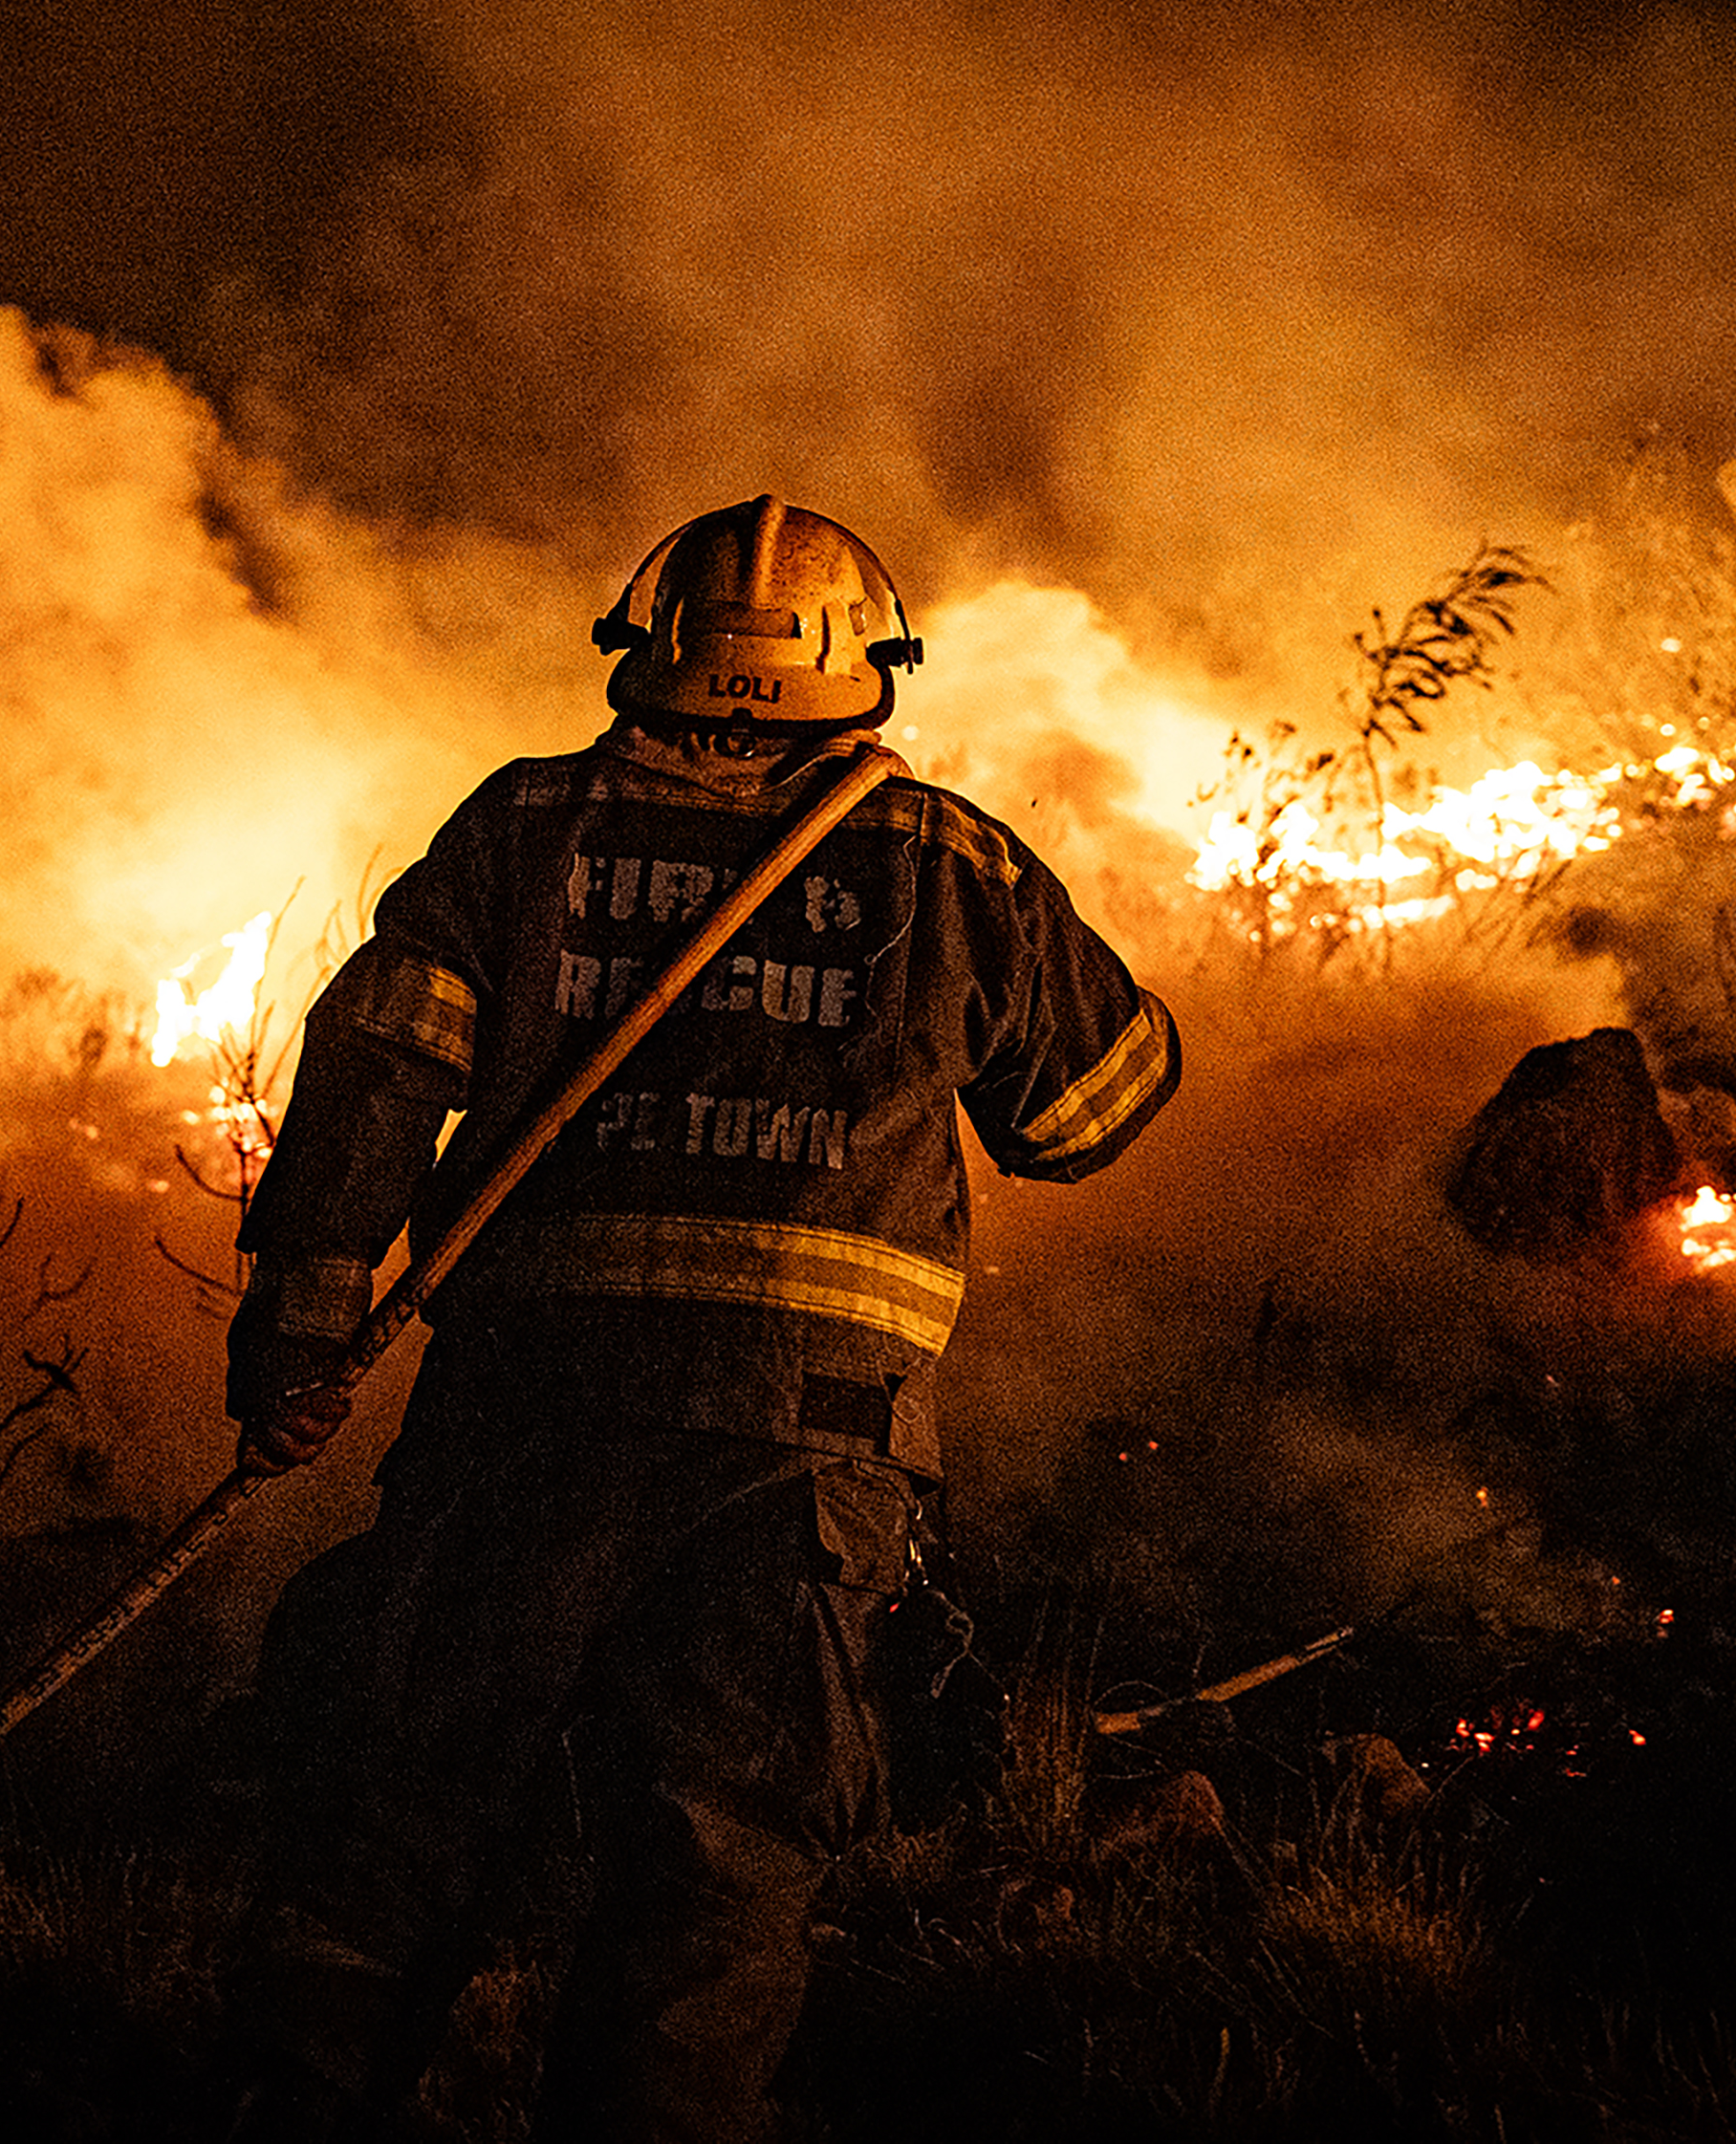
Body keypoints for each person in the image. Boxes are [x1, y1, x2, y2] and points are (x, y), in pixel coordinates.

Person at [220, 494, 1180, 2141]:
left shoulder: (521, 832)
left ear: (646, 651)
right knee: (716, 1877)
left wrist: (301, 1339)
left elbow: (374, 1071)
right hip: (801, 1455)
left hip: (519, 1422)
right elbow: (1088, 1111)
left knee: (395, 1825)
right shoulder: (947, 860)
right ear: (866, 670)